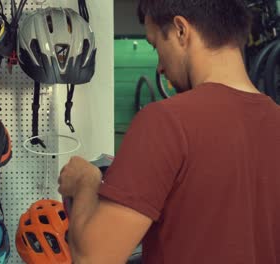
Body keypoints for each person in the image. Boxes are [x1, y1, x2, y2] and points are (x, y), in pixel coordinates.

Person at [58, 0, 280, 263]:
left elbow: (94, 257)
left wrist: (86, 183)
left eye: (156, 46)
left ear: (180, 31)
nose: (160, 67)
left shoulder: (165, 122)